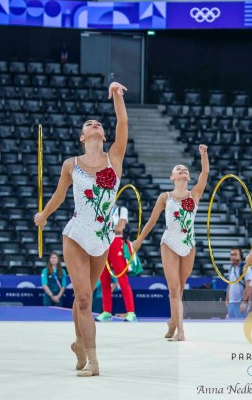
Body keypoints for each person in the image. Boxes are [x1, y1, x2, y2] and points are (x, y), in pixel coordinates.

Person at [34, 82, 129, 377]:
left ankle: (78, 342)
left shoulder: (114, 159)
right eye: (89, 124)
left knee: (84, 297)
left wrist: (116, 95)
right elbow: (60, 196)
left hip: (102, 238)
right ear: (83, 136)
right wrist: (44, 215)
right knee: (85, 297)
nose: (95, 124)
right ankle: (93, 361)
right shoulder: (70, 164)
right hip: (75, 234)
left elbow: (123, 122)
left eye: (98, 123)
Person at [132, 144, 209, 341]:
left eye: (185, 169)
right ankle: (181, 332)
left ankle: (172, 322)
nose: (182, 170)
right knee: (174, 288)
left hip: (188, 244)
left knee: (180, 288)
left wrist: (204, 154)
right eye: (178, 169)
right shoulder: (164, 197)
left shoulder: (195, 194)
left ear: (188, 177)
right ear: (172, 177)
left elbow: (205, 172)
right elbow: (151, 221)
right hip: (169, 243)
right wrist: (139, 241)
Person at [97, 204, 137, 322]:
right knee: (104, 279)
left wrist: (104, 227)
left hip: (116, 242)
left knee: (122, 279)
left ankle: (131, 312)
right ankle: (106, 311)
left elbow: (119, 228)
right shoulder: (101, 209)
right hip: (103, 243)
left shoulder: (121, 210)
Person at [226, 248, 252, 318]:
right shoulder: (231, 268)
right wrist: (227, 300)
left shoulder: (245, 269)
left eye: (235, 254)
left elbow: (249, 287)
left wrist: (244, 302)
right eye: (231, 255)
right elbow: (229, 286)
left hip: (240, 304)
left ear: (240, 256)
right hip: (232, 303)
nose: (233, 257)